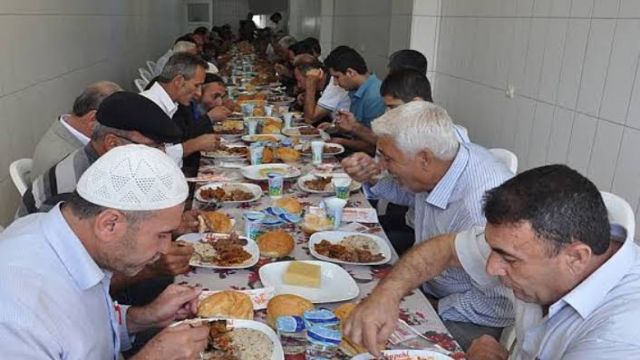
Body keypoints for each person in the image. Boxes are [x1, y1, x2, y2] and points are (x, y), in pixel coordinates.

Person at [345, 164, 640, 359]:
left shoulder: (621, 336)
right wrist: (387, 294)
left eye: (509, 259)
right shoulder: (537, 246)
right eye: (494, 251)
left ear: (576, 257)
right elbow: (445, 249)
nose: (491, 268)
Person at [0, 145, 210, 359]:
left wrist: (144, 317)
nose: (166, 248)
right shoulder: (21, 316)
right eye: (161, 235)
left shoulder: (62, 233)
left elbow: (84, 330)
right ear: (109, 224)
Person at [342, 101, 514, 348]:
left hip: (471, 317)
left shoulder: (480, 204)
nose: (383, 165)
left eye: (388, 159)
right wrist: (373, 175)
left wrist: (434, 307)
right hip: (429, 284)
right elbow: (412, 192)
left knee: (368, 341)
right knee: (360, 305)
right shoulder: (442, 163)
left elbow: (500, 304)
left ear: (423, 159)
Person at [22, 92, 182, 215]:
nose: (161, 156)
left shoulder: (103, 163)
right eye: (151, 148)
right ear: (112, 143)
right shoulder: (75, 191)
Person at [141, 53, 221, 172]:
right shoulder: (147, 105)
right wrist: (193, 145)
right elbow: (146, 160)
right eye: (196, 85)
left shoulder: (174, 103)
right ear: (178, 81)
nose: (199, 93)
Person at [31, 81, 122, 178]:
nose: (122, 129)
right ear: (93, 119)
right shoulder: (69, 163)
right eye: (119, 122)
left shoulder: (65, 126)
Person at [323, 46, 385, 153]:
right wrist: (336, 127)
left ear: (350, 72)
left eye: (337, 77)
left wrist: (342, 142)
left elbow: (376, 145)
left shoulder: (374, 96)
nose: (335, 83)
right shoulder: (355, 89)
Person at [292, 54, 350, 125]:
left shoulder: (334, 85)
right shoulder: (322, 86)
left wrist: (310, 85)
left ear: (311, 77)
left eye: (299, 81)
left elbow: (309, 119)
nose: (299, 85)